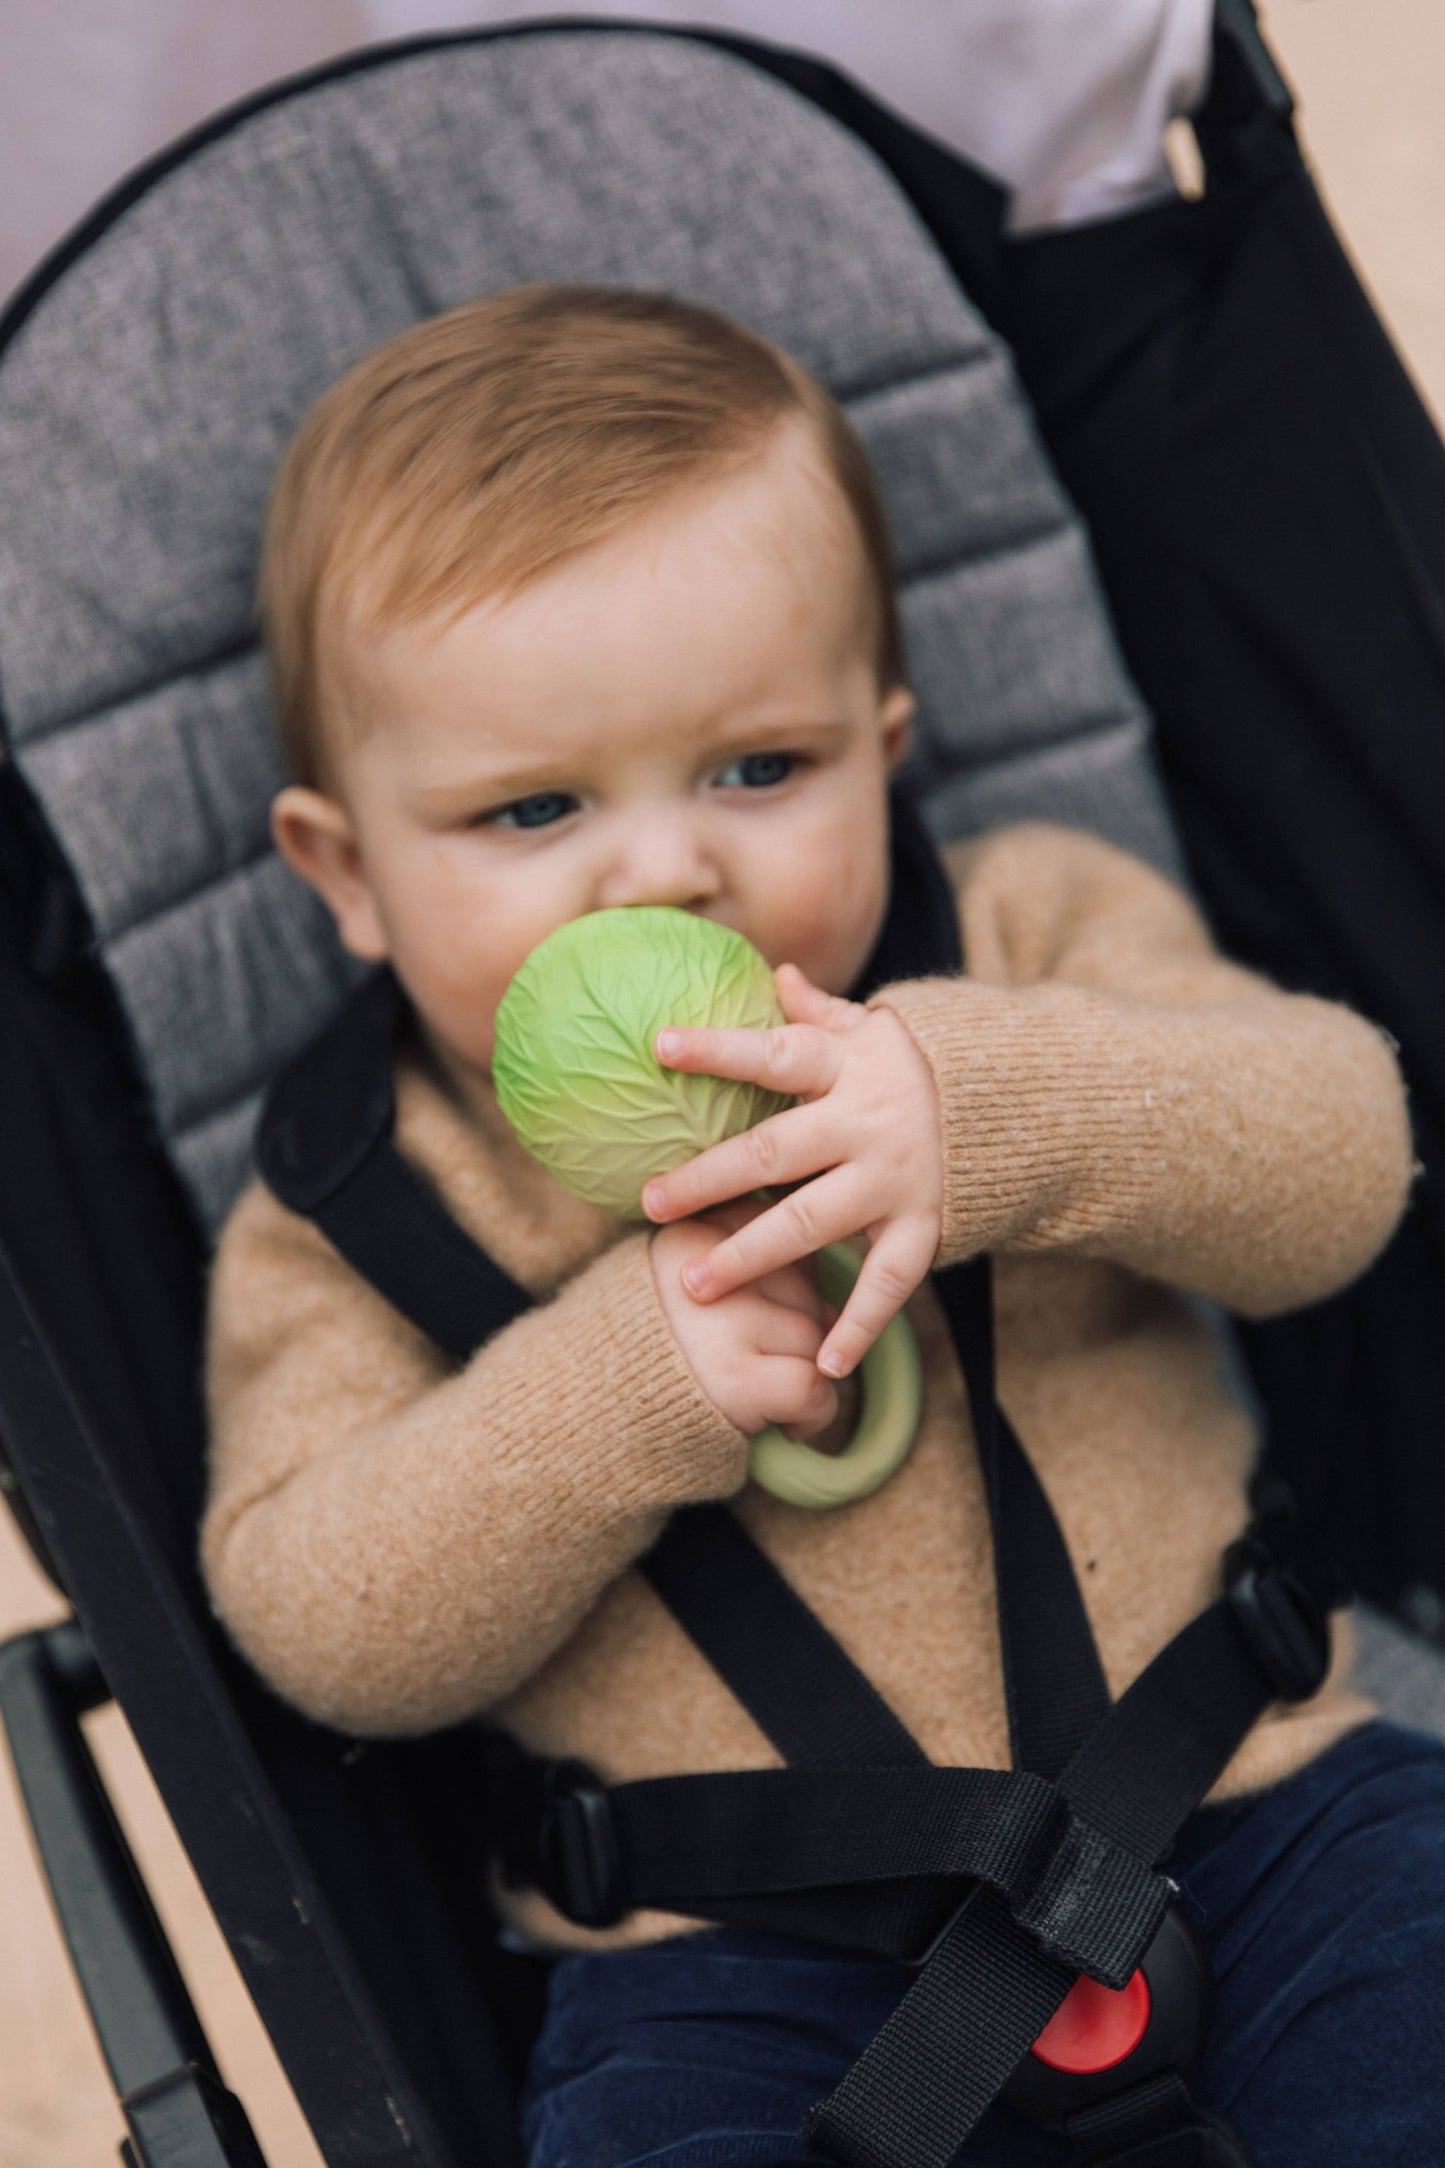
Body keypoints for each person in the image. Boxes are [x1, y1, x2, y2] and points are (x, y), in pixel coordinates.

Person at [201, 284, 1440, 2166]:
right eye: (533, 808)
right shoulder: (358, 1209)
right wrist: (629, 1387)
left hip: (1248, 1811)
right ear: (345, 874)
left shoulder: (1018, 939)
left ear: (884, 745)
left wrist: (997, 1112)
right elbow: (320, 1620)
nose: (670, 863)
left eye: (759, 768)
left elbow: (1345, 1151)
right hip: (727, 1966)